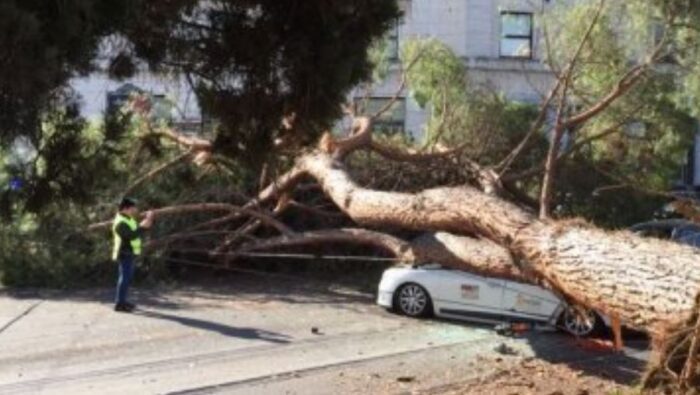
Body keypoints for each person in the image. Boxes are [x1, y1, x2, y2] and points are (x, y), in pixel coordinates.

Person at [112, 197, 154, 312]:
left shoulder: (128, 218)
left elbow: (136, 231)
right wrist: (142, 226)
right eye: (133, 207)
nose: (135, 209)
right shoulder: (120, 222)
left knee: (127, 278)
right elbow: (131, 235)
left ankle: (122, 301)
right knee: (124, 278)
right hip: (124, 253)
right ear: (126, 208)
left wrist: (147, 223)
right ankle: (119, 304)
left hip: (130, 253)